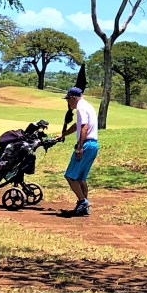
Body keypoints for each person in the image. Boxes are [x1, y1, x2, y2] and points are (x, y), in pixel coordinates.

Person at [60, 87, 99, 217]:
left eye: (68, 100)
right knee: (81, 178)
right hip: (93, 145)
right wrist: (63, 134)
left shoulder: (81, 107)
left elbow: (84, 127)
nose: (68, 103)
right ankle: (83, 207)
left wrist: (79, 147)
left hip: (86, 145)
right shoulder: (88, 106)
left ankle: (82, 201)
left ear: (73, 98)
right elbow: (77, 125)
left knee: (70, 176)